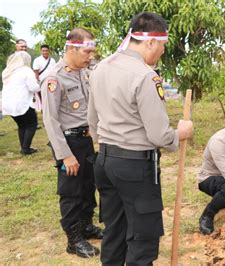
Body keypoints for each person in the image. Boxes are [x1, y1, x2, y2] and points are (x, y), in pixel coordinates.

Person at [88, 12, 193, 265]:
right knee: (143, 238)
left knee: (114, 229)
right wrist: (181, 133)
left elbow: (92, 120)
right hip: (135, 167)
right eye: (163, 46)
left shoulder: (101, 67)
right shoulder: (145, 76)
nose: (162, 52)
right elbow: (159, 134)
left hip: (105, 160)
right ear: (150, 42)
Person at [41, 28, 102, 258]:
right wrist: (64, 155)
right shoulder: (54, 78)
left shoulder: (84, 72)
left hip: (86, 140)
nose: (90, 56)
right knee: (71, 192)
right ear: (72, 48)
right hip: (69, 143)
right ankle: (74, 240)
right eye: (87, 52)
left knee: (88, 187)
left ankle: (86, 226)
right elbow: (50, 120)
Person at [1, 51, 39, 154]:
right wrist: (40, 85)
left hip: (9, 103)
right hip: (22, 103)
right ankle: (26, 148)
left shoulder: (7, 71)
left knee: (22, 125)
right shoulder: (26, 70)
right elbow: (33, 87)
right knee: (32, 124)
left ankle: (24, 147)